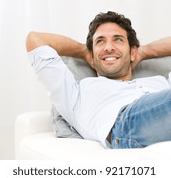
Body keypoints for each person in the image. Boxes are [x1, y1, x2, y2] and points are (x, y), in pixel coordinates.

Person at [26, 11, 171, 149]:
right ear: (92, 56)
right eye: (100, 42)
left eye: (118, 40)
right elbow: (35, 39)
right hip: (125, 125)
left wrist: (143, 52)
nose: (108, 48)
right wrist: (83, 51)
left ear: (132, 52)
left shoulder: (159, 82)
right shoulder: (76, 93)